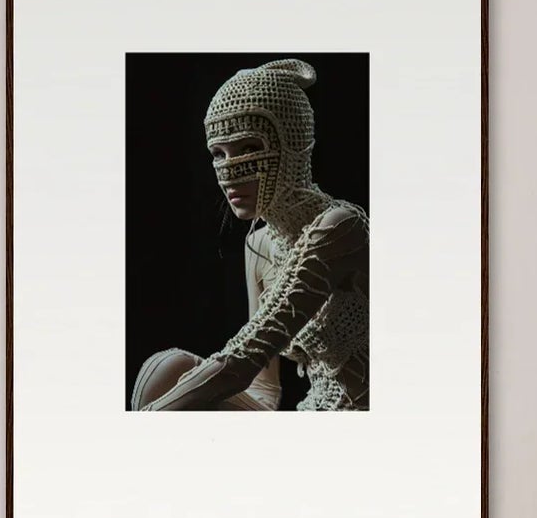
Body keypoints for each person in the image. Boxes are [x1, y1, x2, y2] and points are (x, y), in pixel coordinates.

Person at [132, 58, 369, 412]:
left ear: (291, 144)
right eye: (218, 153)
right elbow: (263, 385)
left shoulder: (339, 226)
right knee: (168, 369)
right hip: (308, 413)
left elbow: (247, 355)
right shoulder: (258, 244)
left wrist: (151, 417)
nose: (229, 171)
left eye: (249, 149)